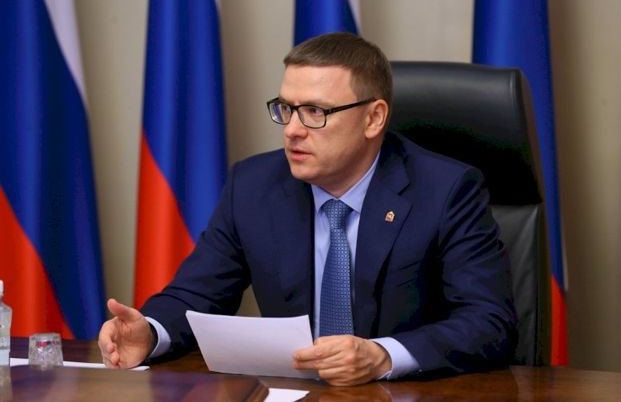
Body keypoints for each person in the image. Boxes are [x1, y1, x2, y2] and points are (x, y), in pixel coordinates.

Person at [98, 32, 517, 386]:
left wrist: (383, 356)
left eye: (315, 111)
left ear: (374, 119)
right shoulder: (253, 186)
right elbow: (196, 295)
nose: (293, 130)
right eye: (287, 109)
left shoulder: (445, 190)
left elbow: (489, 321)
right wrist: (150, 333)